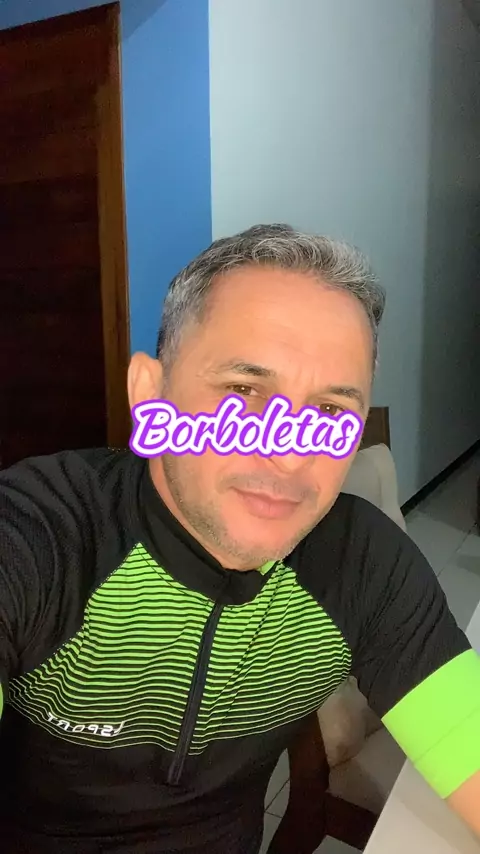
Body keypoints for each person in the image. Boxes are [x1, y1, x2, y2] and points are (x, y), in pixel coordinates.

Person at [0, 224, 479, 854]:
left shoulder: (361, 563)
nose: (289, 453)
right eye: (244, 391)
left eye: (330, 411)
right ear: (150, 392)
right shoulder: (43, 532)